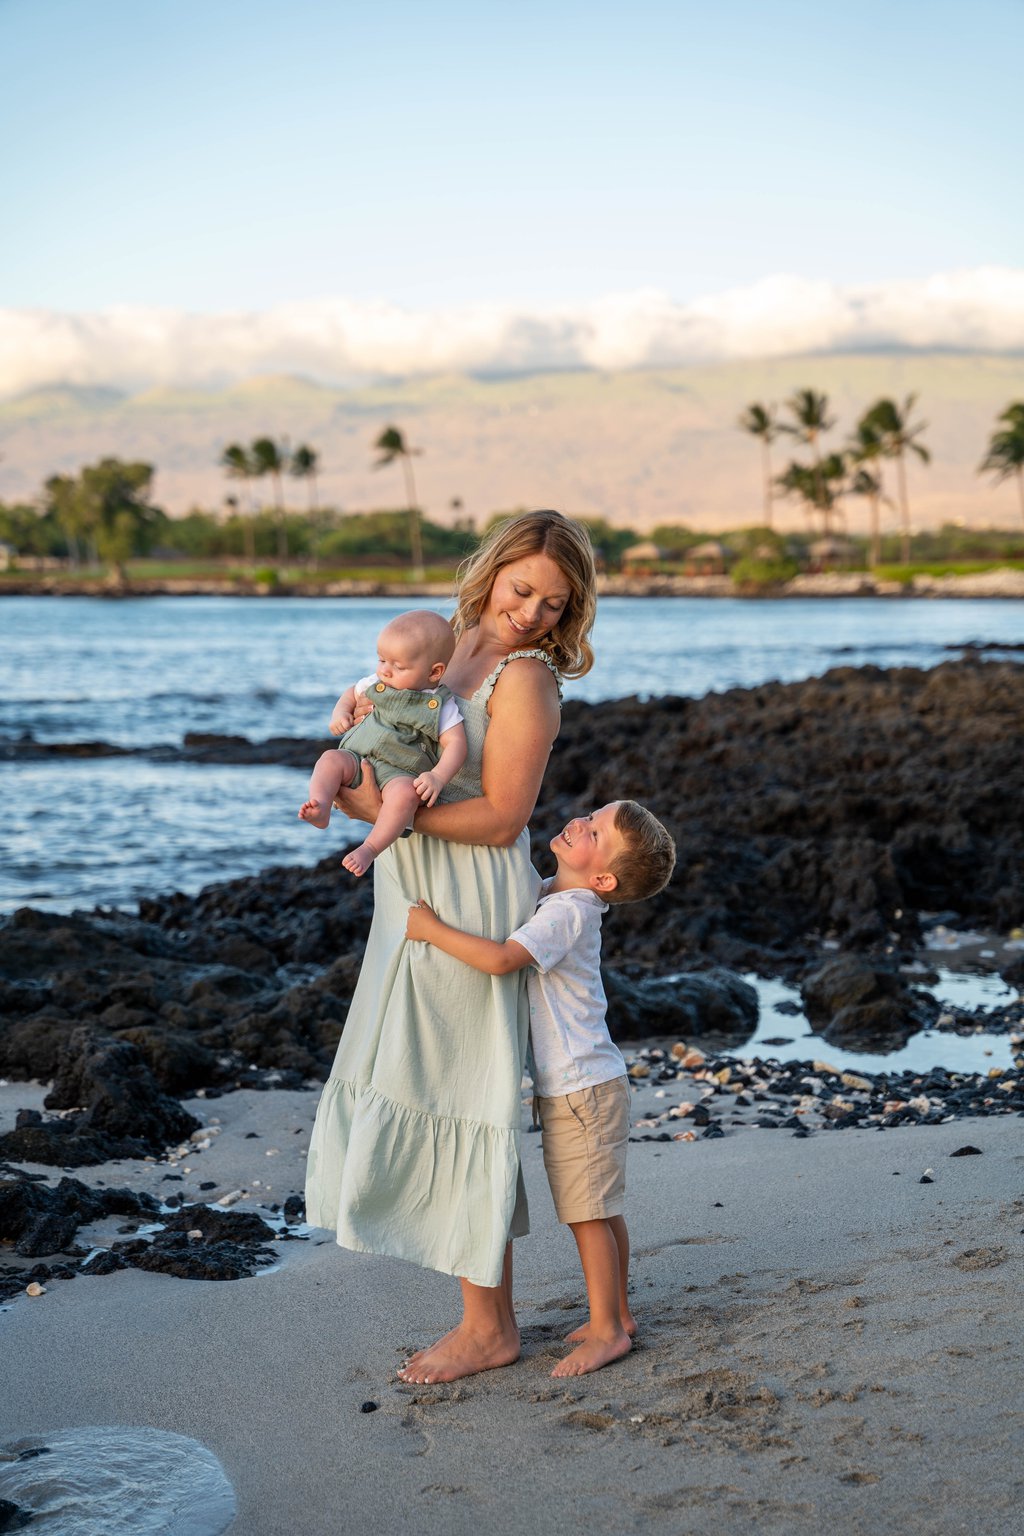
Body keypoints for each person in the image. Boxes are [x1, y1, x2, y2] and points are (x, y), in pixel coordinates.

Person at [304, 510, 598, 1386]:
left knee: (465, 1099)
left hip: (468, 896)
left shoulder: (528, 680)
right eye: (523, 589)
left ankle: (489, 1328)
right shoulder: (442, 648)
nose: (533, 611)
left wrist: (376, 813)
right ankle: (482, 1316)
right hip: (410, 891)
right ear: (494, 570)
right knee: (421, 1082)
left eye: (555, 602)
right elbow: (385, 733)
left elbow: (506, 816)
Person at [404, 799, 676, 1379]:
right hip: (590, 1084)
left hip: (580, 1091)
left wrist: (432, 930)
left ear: (602, 878)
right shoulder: (558, 894)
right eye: (591, 816)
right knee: (602, 1210)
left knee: (586, 1214)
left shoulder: (569, 912)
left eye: (595, 831)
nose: (579, 822)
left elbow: (503, 959)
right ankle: (619, 1314)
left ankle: (607, 1331)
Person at [298, 609, 468, 877]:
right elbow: (351, 694)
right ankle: (320, 806)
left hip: (397, 772)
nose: (385, 671)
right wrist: (340, 712)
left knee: (405, 796)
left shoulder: (440, 705)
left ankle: (370, 848)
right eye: (381, 660)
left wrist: (437, 776)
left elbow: (457, 744)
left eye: (398, 666)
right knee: (330, 759)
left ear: (434, 672)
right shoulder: (376, 683)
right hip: (358, 757)